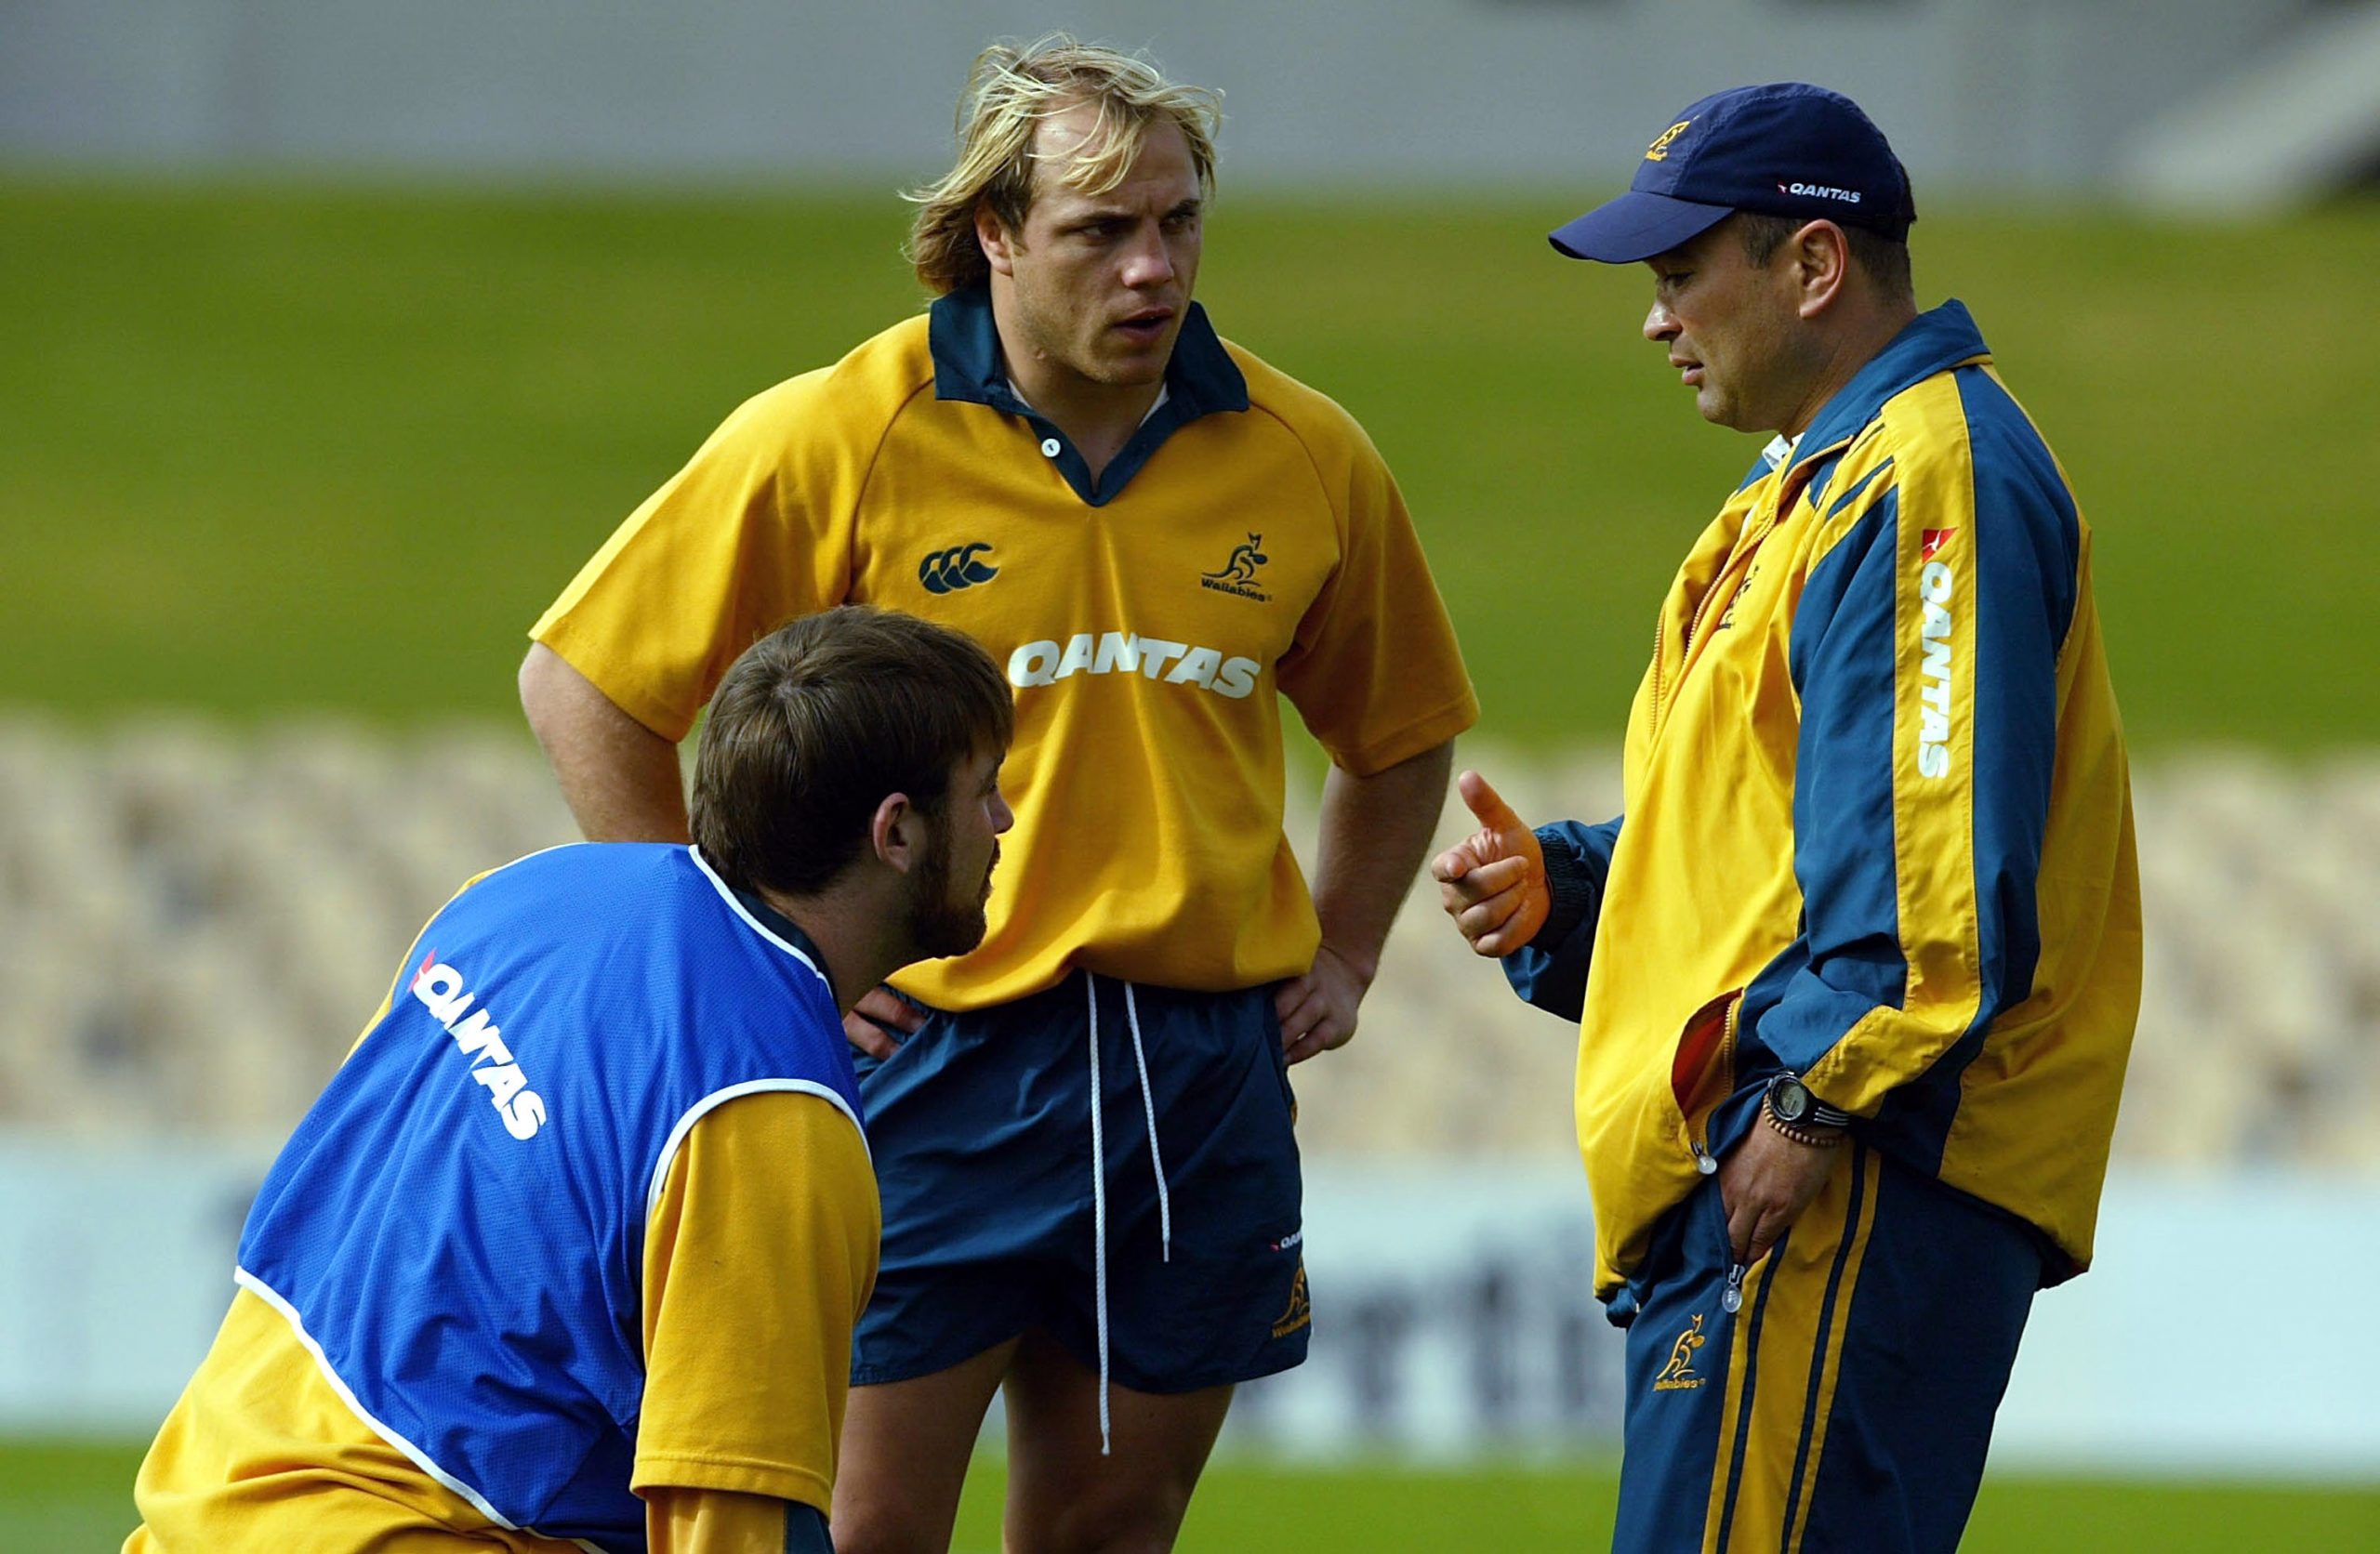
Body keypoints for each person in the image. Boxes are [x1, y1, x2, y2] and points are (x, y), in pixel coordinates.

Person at [516, 35, 1475, 1554]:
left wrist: (1347, 947)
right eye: (1104, 230)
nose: (1153, 268)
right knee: (858, 1527)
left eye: (1178, 223)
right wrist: (743, 969)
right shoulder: (843, 431)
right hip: (927, 1058)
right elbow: (584, 688)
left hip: (1194, 1076)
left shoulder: (1305, 454)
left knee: (1113, 1528)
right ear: (997, 235)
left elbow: (1402, 731)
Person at [1432, 85, 2140, 1554]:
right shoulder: (1810, 493)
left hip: (1847, 1169)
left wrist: (1811, 1106)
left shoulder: (1920, 476)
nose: (1655, 319)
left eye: (1682, 272)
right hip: (1796, 1165)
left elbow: (1933, 888)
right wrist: (1572, 899)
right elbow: (1785, 851)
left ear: (1812, 268)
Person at [127, 605, 1016, 1554]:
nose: (1003, 820)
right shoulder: (768, 1117)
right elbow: (735, 1526)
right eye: (982, 789)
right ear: (896, 833)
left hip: (203, 1502)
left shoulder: (524, 895)